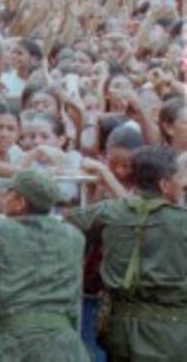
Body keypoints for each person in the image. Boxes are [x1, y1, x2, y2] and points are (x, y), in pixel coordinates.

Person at [0, 168, 90, 361]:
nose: (4, 198)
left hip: (18, 344)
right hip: (66, 345)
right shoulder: (74, 236)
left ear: (20, 203)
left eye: (8, 193)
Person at [65, 145, 187, 361]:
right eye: (181, 178)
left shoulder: (110, 211)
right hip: (172, 335)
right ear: (165, 184)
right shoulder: (182, 221)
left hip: (118, 331)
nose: (184, 184)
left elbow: (67, 225)